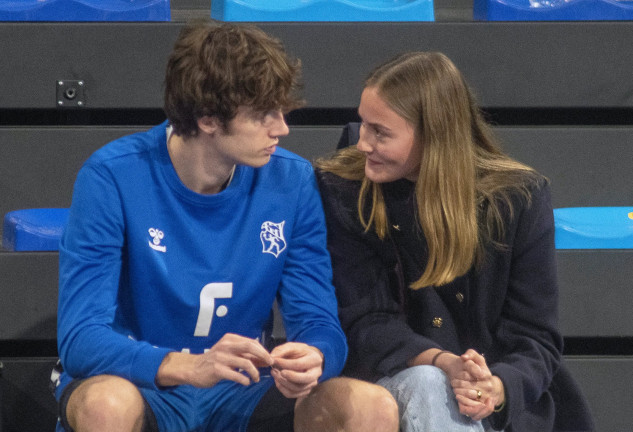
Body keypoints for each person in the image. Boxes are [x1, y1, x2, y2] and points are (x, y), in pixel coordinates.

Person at [53, 20, 398, 432]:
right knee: (105, 404)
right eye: (263, 115)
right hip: (142, 384)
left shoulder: (293, 181)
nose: (282, 129)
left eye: (282, 111)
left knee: (369, 406)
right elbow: (80, 339)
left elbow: (319, 322)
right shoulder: (112, 176)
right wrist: (189, 366)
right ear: (208, 119)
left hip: (241, 389)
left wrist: (317, 356)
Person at [315, 51, 595, 432]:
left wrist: (494, 387)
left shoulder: (518, 199)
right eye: (363, 124)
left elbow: (535, 338)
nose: (362, 143)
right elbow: (365, 322)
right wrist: (445, 363)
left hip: (497, 400)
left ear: (434, 135)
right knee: (432, 386)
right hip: (390, 380)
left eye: (380, 132)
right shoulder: (345, 191)